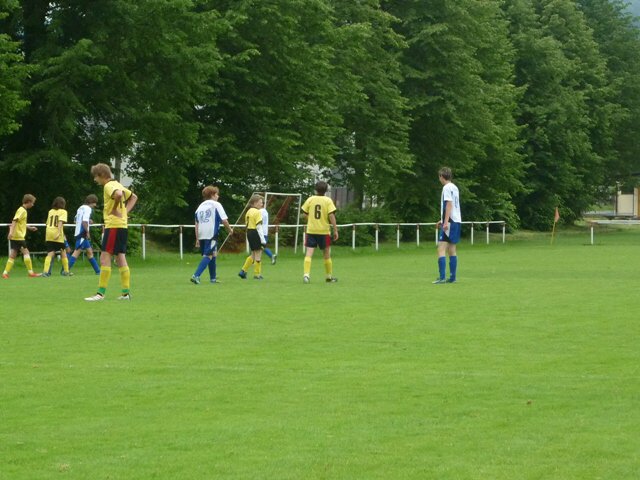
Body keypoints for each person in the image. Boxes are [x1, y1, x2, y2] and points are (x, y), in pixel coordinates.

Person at [84, 163, 138, 301]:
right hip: (122, 225)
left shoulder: (109, 186)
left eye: (96, 177)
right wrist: (124, 213)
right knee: (120, 258)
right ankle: (125, 293)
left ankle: (100, 294)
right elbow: (134, 197)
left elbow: (118, 195)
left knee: (104, 257)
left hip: (113, 226)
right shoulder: (117, 184)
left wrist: (114, 210)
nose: (95, 180)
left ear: (102, 175)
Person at [190, 186, 233, 284]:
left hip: (201, 234)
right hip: (211, 233)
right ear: (212, 195)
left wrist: (197, 238)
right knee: (208, 255)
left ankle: (213, 279)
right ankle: (196, 275)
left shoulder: (200, 207)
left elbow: (196, 224)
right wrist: (230, 230)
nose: (218, 196)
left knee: (213, 254)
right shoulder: (216, 205)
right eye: (217, 194)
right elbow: (224, 220)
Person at [301, 181, 339, 284]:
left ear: (315, 189)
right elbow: (331, 215)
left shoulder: (310, 199)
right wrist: (335, 230)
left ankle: (306, 275)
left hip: (311, 231)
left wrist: (311, 220)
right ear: (326, 190)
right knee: (326, 254)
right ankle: (328, 277)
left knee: (309, 253)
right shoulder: (328, 200)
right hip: (324, 232)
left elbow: (304, 214)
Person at [433, 166, 461, 284]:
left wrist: (445, 222)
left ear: (441, 176)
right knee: (452, 249)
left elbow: (449, 204)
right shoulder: (455, 187)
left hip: (450, 222)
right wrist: (442, 219)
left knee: (441, 248)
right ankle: (452, 278)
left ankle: (442, 278)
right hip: (456, 221)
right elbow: (453, 206)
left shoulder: (446, 188)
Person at [2, 194, 40, 278]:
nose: (33, 205)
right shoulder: (22, 210)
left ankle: (5, 273)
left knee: (13, 254)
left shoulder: (22, 210)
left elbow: (20, 223)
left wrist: (29, 228)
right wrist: (10, 232)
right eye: (32, 203)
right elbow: (14, 221)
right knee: (26, 252)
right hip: (18, 236)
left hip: (15, 236)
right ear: (28, 202)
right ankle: (31, 273)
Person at [67, 194, 101, 275]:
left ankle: (98, 271)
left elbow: (75, 220)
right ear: (91, 202)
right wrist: (87, 232)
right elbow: (84, 221)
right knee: (76, 252)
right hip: (82, 233)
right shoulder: (88, 209)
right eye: (94, 203)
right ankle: (65, 270)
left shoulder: (81, 207)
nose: (95, 205)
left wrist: (89, 220)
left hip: (78, 232)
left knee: (90, 253)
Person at [238, 194, 267, 280]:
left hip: (249, 232)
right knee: (258, 253)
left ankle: (243, 271)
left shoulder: (249, 211)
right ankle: (257, 274)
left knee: (253, 254)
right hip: (255, 232)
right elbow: (259, 227)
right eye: (260, 202)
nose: (262, 204)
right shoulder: (257, 212)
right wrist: (263, 240)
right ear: (255, 203)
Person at [41, 197, 70, 277]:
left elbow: (47, 224)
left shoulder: (50, 211)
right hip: (56, 233)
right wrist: (58, 233)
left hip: (49, 233)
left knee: (50, 253)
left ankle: (45, 272)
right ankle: (66, 271)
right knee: (63, 252)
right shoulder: (63, 211)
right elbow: (60, 222)